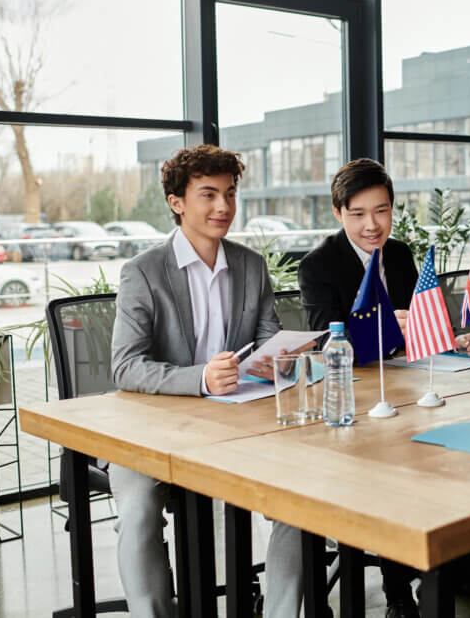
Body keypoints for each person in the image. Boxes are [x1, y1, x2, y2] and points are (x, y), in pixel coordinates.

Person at [297, 158, 470, 617]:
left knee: (453, 446)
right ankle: (398, 595)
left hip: (411, 383)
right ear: (338, 213)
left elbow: (424, 319)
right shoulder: (319, 265)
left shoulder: (399, 254)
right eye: (358, 214)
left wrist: (457, 338)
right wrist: (383, 327)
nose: (373, 225)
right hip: (357, 394)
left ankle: (454, 561)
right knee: (396, 466)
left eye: (382, 211)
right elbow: (323, 338)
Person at [110, 144, 309, 618]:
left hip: (237, 425)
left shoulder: (250, 265)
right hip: (153, 428)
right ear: (177, 202)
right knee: (137, 510)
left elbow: (269, 339)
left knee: (302, 499)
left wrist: (275, 359)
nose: (223, 207)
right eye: (208, 195)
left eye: (230, 194)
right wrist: (199, 378)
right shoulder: (143, 272)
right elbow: (125, 366)